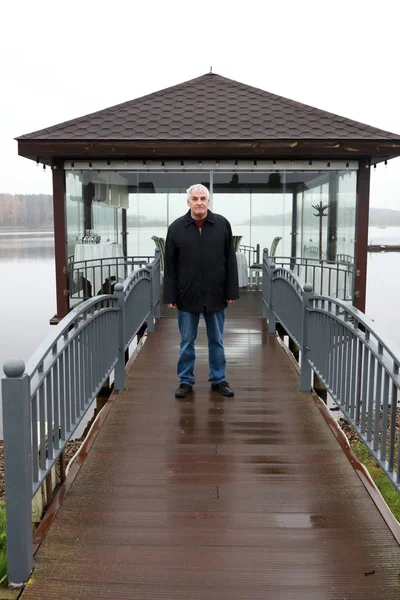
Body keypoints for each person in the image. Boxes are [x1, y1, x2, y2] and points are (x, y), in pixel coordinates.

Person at [164, 183, 239, 398]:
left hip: (216, 294)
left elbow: (230, 261)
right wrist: (170, 294)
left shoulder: (222, 225)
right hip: (187, 295)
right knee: (187, 341)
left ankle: (219, 379)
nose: (199, 202)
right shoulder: (176, 228)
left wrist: (231, 291)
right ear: (188, 202)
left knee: (217, 340)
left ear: (209, 201)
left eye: (203, 198)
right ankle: (185, 381)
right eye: (195, 199)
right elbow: (169, 265)